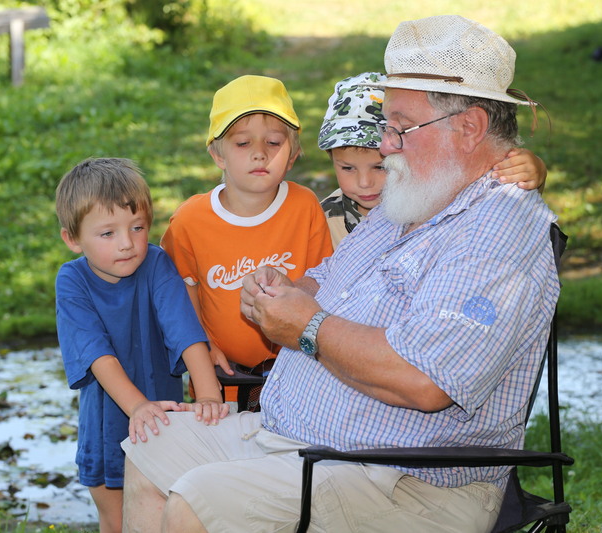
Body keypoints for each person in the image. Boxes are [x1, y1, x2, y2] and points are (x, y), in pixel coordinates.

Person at [122, 14, 561, 533]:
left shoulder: (497, 230)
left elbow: (426, 382)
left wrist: (306, 327)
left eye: (400, 128)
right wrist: (283, 292)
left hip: (407, 482)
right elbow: (329, 276)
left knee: (199, 500)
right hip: (307, 445)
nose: (387, 146)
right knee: (154, 445)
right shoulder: (413, 197)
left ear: (468, 128)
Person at [54, 157, 229, 533]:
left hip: (166, 423)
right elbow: (96, 353)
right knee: (118, 522)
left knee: (169, 515)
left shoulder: (156, 263)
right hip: (110, 424)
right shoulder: (72, 281)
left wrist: (210, 395)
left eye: (137, 228)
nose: (128, 244)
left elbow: (185, 330)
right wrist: (138, 407)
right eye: (108, 234)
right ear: (72, 238)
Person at [160, 75, 333, 405]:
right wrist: (203, 345)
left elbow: (321, 281)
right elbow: (181, 291)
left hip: (295, 370)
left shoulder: (304, 206)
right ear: (218, 155)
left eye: (273, 142)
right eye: (243, 143)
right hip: (222, 376)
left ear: (293, 154)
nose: (260, 154)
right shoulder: (190, 220)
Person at [318, 71, 549, 247]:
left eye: (380, 166)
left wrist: (534, 171)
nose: (365, 182)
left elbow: (497, 180)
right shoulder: (323, 219)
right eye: (348, 168)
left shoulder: (430, 189)